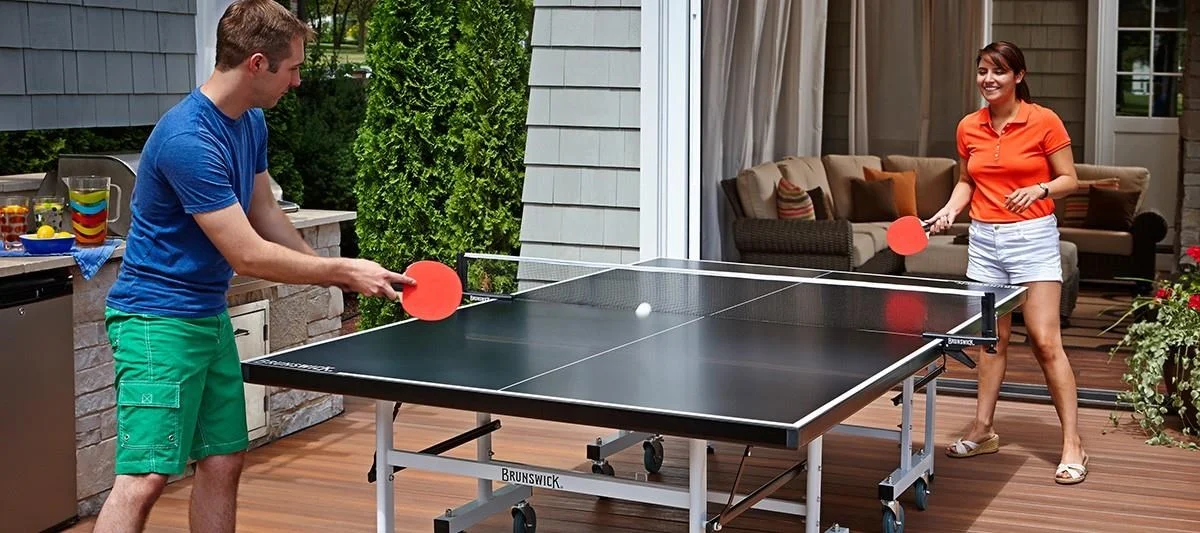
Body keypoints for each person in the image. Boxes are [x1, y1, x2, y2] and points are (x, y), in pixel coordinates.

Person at [93, 1, 414, 531]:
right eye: (293, 69)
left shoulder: (250, 122)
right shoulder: (188, 140)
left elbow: (263, 212)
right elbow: (245, 252)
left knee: (223, 458)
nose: (298, 82)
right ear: (257, 64)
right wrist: (342, 271)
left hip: (206, 314)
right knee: (145, 477)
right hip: (156, 321)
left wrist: (326, 268)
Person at [926, 41, 1088, 485]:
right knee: (990, 341)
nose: (989, 79)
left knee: (1044, 341)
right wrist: (949, 210)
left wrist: (1040, 189)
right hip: (984, 242)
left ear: (1018, 76)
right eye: (982, 71)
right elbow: (967, 180)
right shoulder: (969, 126)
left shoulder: (1044, 120)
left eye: (998, 71)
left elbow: (1070, 179)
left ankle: (1073, 442)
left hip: (1032, 240)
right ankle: (983, 429)